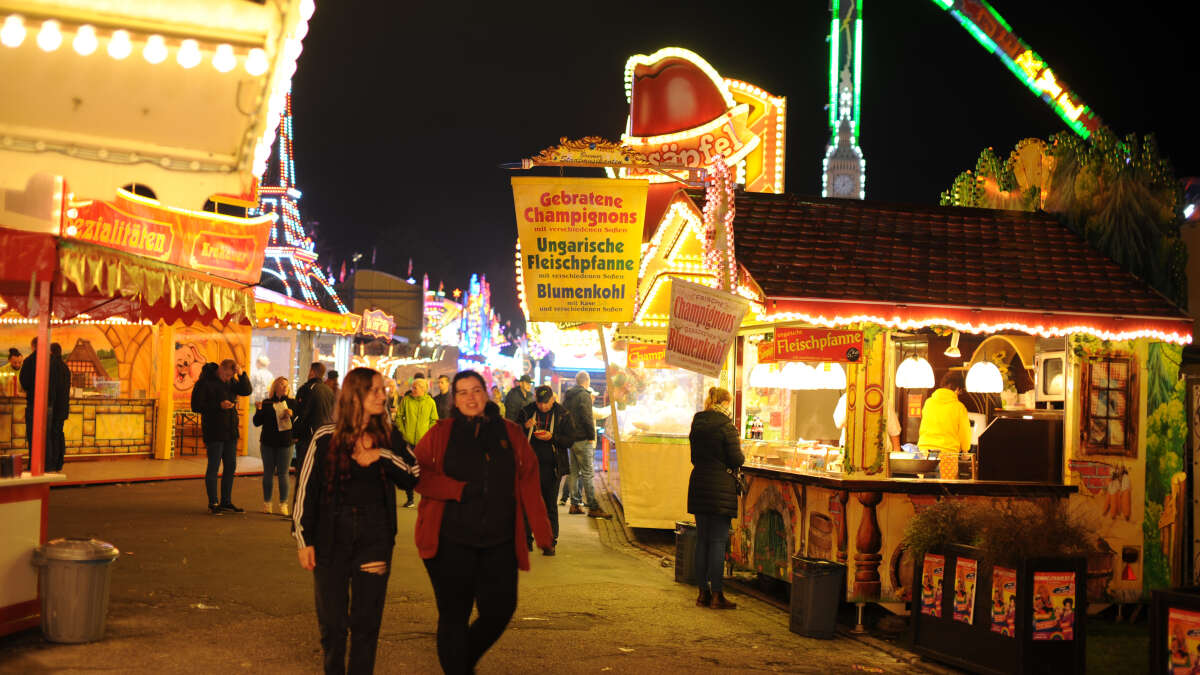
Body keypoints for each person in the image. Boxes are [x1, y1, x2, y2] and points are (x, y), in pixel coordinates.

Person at [413, 370, 553, 675]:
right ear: (454, 399)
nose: (470, 397)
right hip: (450, 541)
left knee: (500, 610)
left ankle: (460, 665)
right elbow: (418, 473)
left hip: (499, 541)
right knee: (453, 615)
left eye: (475, 390)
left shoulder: (510, 432)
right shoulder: (441, 433)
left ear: (486, 393)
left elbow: (529, 478)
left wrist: (542, 530)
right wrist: (455, 489)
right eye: (462, 392)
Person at [294, 367, 420, 675]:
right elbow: (304, 493)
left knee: (366, 624)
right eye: (374, 390)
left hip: (374, 541)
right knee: (333, 626)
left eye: (382, 390)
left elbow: (415, 475)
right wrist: (303, 540)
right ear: (355, 395)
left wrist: (382, 455)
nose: (382, 395)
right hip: (329, 540)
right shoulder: (325, 437)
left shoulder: (389, 437)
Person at [686, 386, 744, 610]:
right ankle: (718, 595)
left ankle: (702, 594)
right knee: (718, 542)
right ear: (726, 403)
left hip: (699, 484)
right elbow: (737, 459)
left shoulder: (697, 423)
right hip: (720, 487)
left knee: (702, 540)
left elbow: (694, 456)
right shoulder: (726, 426)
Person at [516, 386, 575, 552]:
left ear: (553, 399)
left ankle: (549, 542)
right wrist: (525, 426)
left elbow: (570, 440)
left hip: (552, 466)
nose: (542, 407)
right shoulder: (527, 411)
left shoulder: (563, 414)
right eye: (539, 403)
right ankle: (526, 540)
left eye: (546, 403)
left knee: (549, 504)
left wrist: (553, 437)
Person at [191, 359, 252, 514]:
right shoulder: (204, 382)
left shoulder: (231, 381)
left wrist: (241, 374)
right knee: (214, 466)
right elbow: (196, 406)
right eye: (226, 375)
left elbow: (246, 390)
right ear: (220, 368)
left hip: (230, 430)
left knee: (230, 466)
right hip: (214, 431)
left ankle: (226, 501)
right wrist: (218, 405)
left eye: (231, 376)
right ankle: (213, 502)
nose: (227, 378)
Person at [561, 371, 612, 519]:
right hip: (583, 439)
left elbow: (564, 416)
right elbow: (587, 417)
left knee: (575, 473)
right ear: (587, 381)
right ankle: (593, 507)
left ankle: (575, 504)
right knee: (588, 474)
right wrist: (591, 436)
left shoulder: (569, 396)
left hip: (572, 440)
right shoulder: (584, 395)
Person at [254, 376, 298, 515]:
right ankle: (267, 503)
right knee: (268, 473)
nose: (285, 387)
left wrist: (292, 415)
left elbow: (299, 422)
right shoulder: (267, 402)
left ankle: (283, 503)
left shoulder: (292, 402)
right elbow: (257, 422)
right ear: (275, 387)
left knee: (283, 473)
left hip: (285, 442)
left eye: (286, 385)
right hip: (268, 442)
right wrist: (259, 410)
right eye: (281, 384)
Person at [917, 371, 972, 480]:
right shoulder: (959, 407)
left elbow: (923, 427)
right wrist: (965, 451)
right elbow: (964, 432)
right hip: (948, 454)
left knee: (926, 490)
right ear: (957, 388)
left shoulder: (928, 403)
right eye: (960, 391)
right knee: (946, 490)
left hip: (925, 453)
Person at [396, 374, 439, 508]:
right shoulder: (406, 400)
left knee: (423, 471)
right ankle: (410, 499)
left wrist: (428, 434)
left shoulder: (430, 402)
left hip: (423, 442)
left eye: (415, 388)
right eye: (412, 387)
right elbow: (399, 417)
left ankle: (425, 499)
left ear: (423, 389)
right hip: (408, 441)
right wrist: (403, 432)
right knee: (409, 470)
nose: (412, 390)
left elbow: (434, 420)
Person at [295, 362, 335, 472]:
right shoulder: (328, 390)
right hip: (324, 434)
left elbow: (301, 413)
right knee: (318, 468)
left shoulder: (307, 389)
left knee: (304, 468)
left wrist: (295, 433)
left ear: (312, 372)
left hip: (308, 435)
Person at [46, 343, 71, 473]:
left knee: (53, 435)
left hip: (54, 406)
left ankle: (54, 462)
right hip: (63, 406)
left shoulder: (51, 366)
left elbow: (51, 389)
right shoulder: (65, 367)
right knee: (59, 434)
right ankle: (60, 461)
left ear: (51, 352)